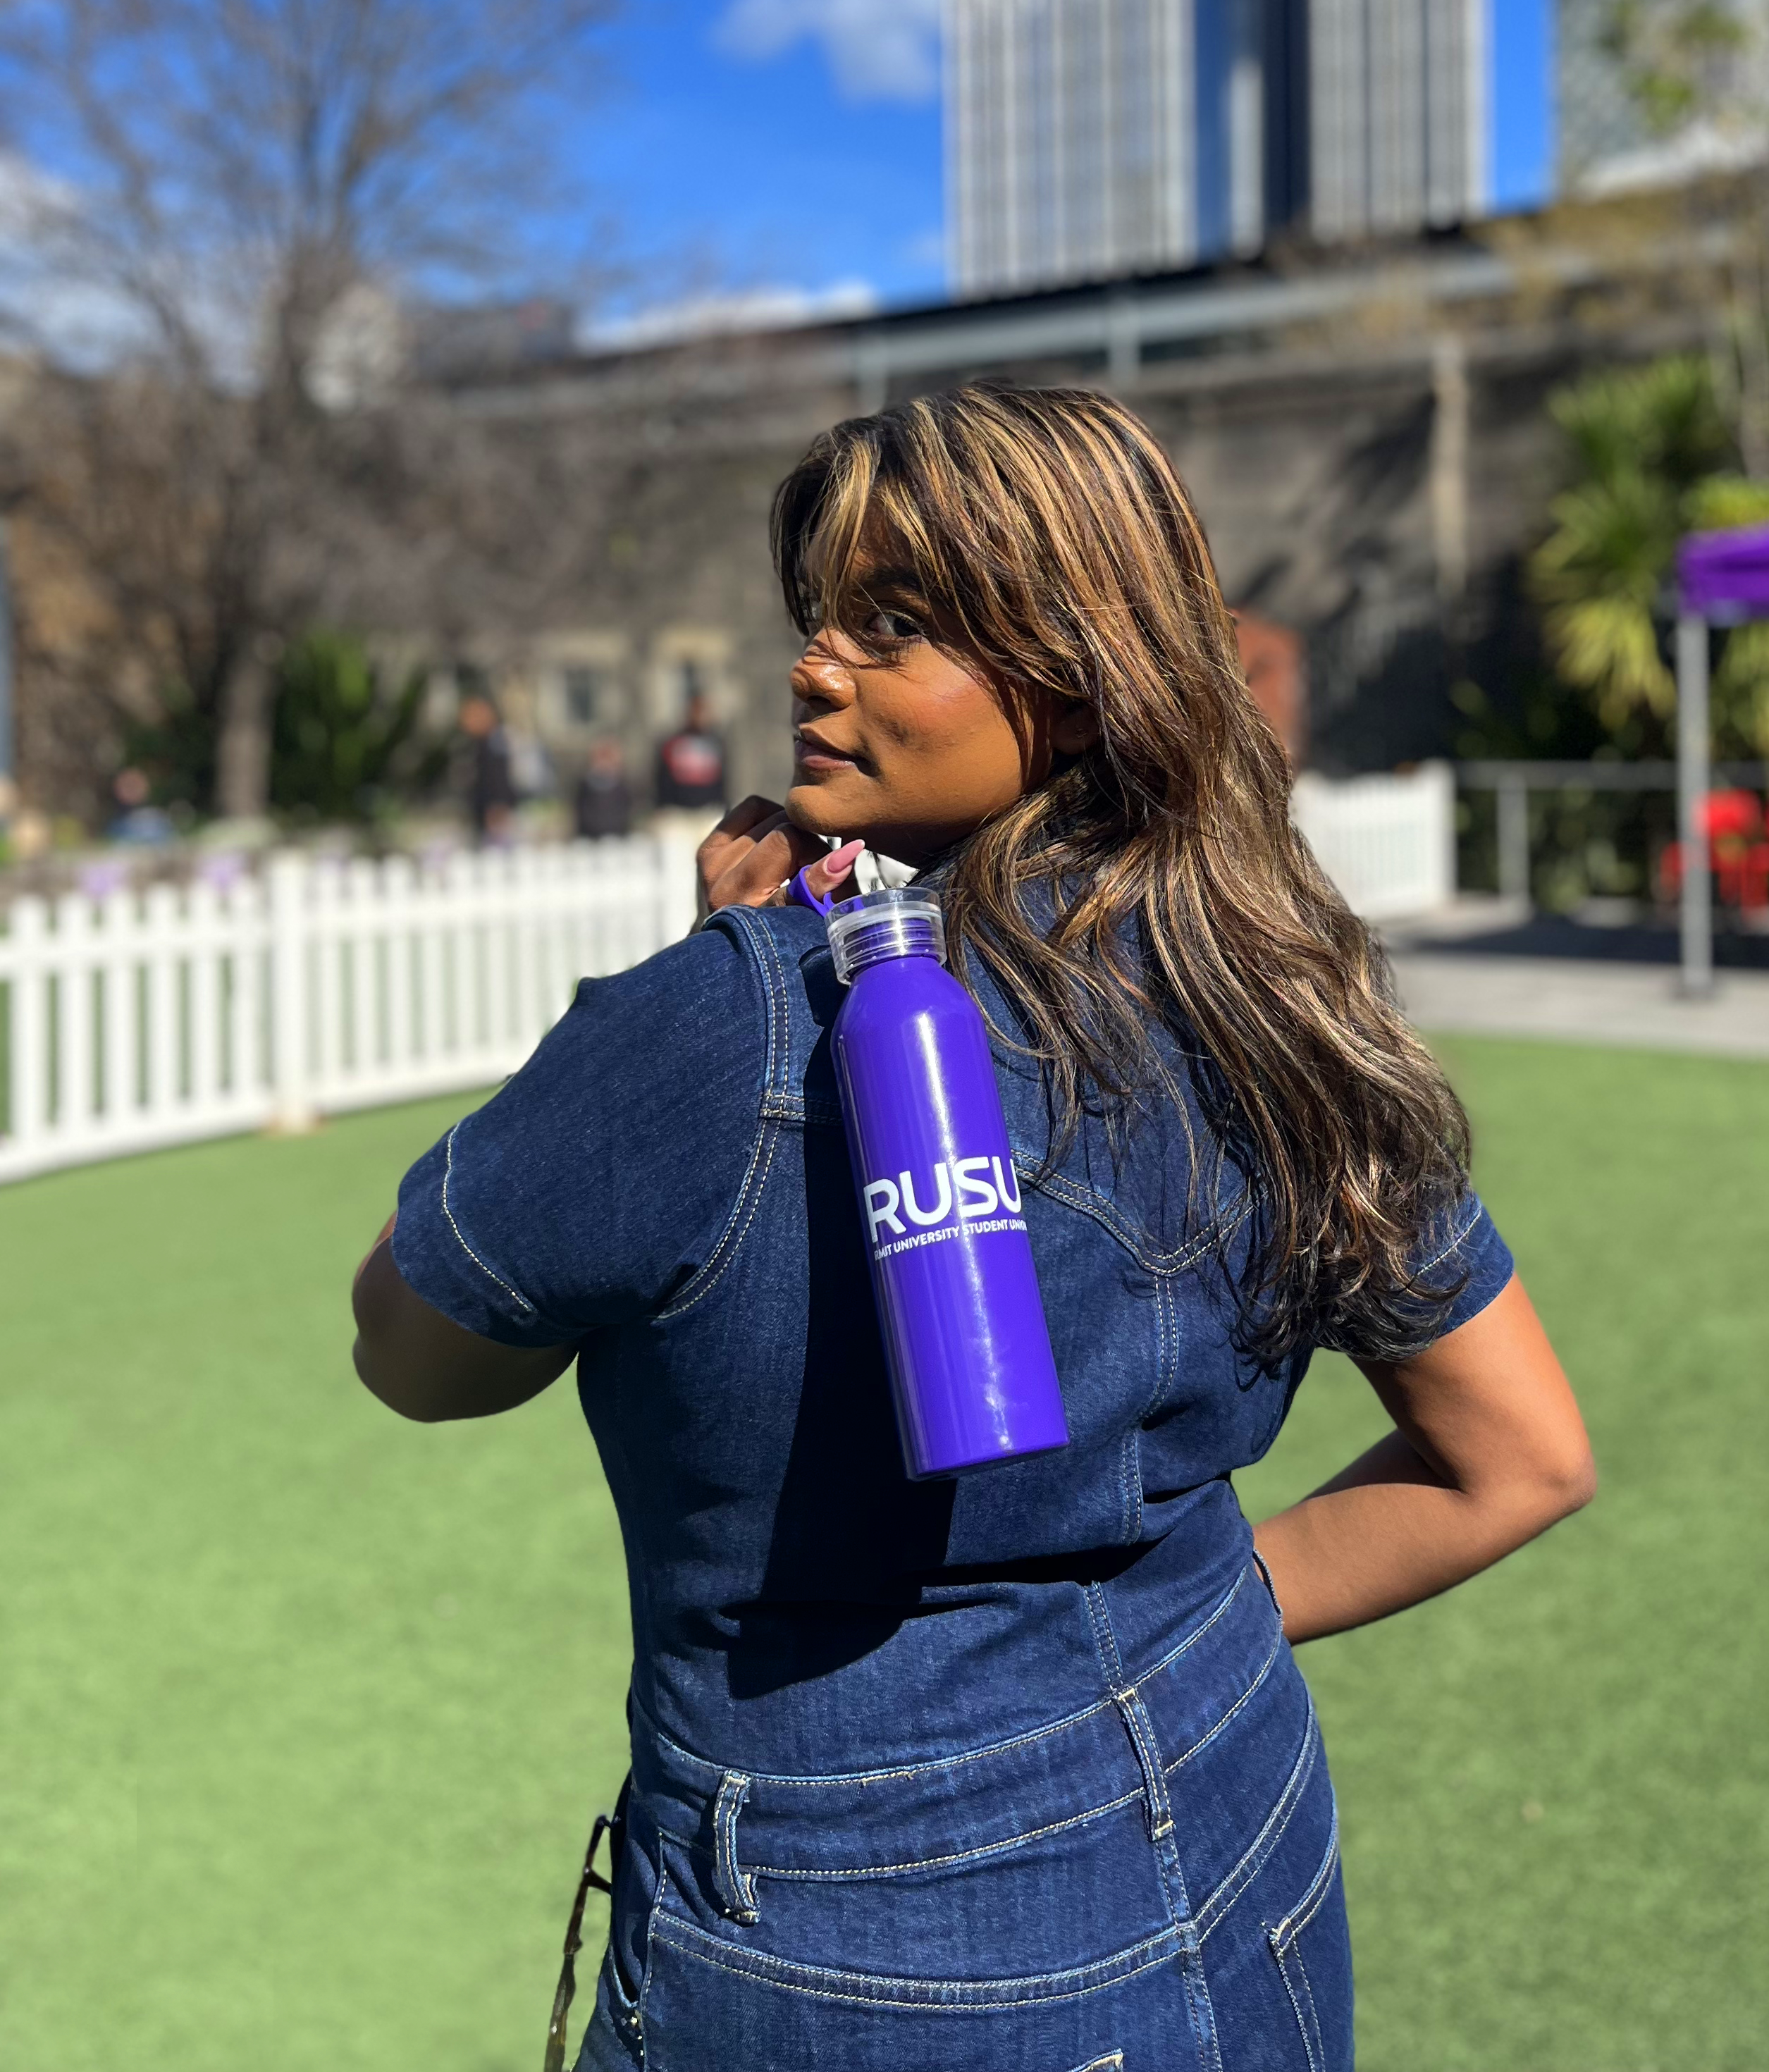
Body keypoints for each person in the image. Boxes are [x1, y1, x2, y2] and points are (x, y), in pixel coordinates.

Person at [352, 385, 1593, 2072]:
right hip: (1243, 1819)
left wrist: (707, 984)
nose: (813, 667)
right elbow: (1518, 1455)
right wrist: (1175, 1625)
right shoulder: (1271, 986)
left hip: (862, 1934)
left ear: (1080, 681)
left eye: (899, 624)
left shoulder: (730, 1021)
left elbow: (416, 1353)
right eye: (820, 619)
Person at [458, 692, 517, 847]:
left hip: (494, 814)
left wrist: (498, 806)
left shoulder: (494, 743)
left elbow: (499, 777)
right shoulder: (480, 743)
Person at [653, 691, 726, 816]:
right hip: (679, 813)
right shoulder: (674, 743)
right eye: (696, 711)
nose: (700, 716)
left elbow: (722, 779)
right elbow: (663, 778)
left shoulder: (716, 743)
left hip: (708, 811)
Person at [574, 736, 634, 841]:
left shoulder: (623, 786)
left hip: (618, 840)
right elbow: (583, 816)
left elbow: (626, 815)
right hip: (590, 841)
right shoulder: (585, 786)